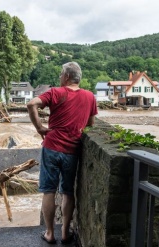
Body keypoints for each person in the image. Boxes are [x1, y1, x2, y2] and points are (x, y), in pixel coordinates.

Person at [27, 61, 98, 244]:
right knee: (67, 191)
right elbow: (91, 124)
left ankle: (50, 233)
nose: (59, 77)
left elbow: (31, 104)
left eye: (61, 74)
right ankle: (65, 232)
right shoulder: (90, 96)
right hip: (72, 150)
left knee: (49, 191)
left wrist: (40, 128)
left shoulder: (55, 92)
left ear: (66, 77)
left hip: (51, 147)